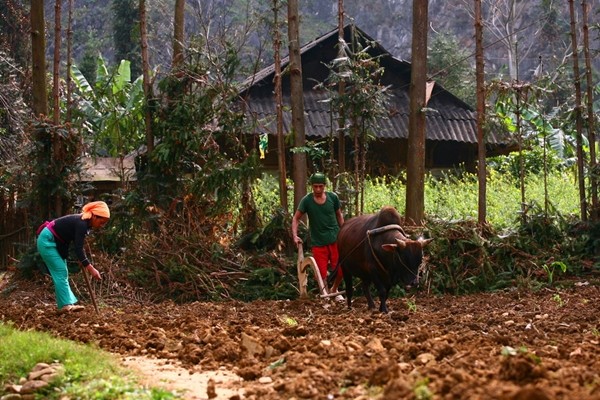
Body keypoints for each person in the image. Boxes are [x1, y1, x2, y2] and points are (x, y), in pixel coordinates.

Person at [36, 201, 110, 313]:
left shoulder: (85, 224)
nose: (101, 225)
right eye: (101, 222)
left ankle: (66, 304)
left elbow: (77, 245)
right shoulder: (81, 224)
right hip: (47, 240)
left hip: (57, 242)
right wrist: (91, 269)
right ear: (94, 216)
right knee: (60, 271)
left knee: (63, 272)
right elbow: (78, 249)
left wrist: (82, 259)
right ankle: (65, 305)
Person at [291, 173, 345, 300]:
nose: (318, 190)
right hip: (318, 242)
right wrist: (295, 235)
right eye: (315, 187)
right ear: (312, 186)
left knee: (341, 269)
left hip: (335, 239)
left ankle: (335, 289)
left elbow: (339, 215)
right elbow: (296, 218)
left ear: (325, 186)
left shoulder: (333, 197)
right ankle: (325, 293)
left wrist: (344, 231)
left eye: (320, 186)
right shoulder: (307, 201)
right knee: (320, 272)